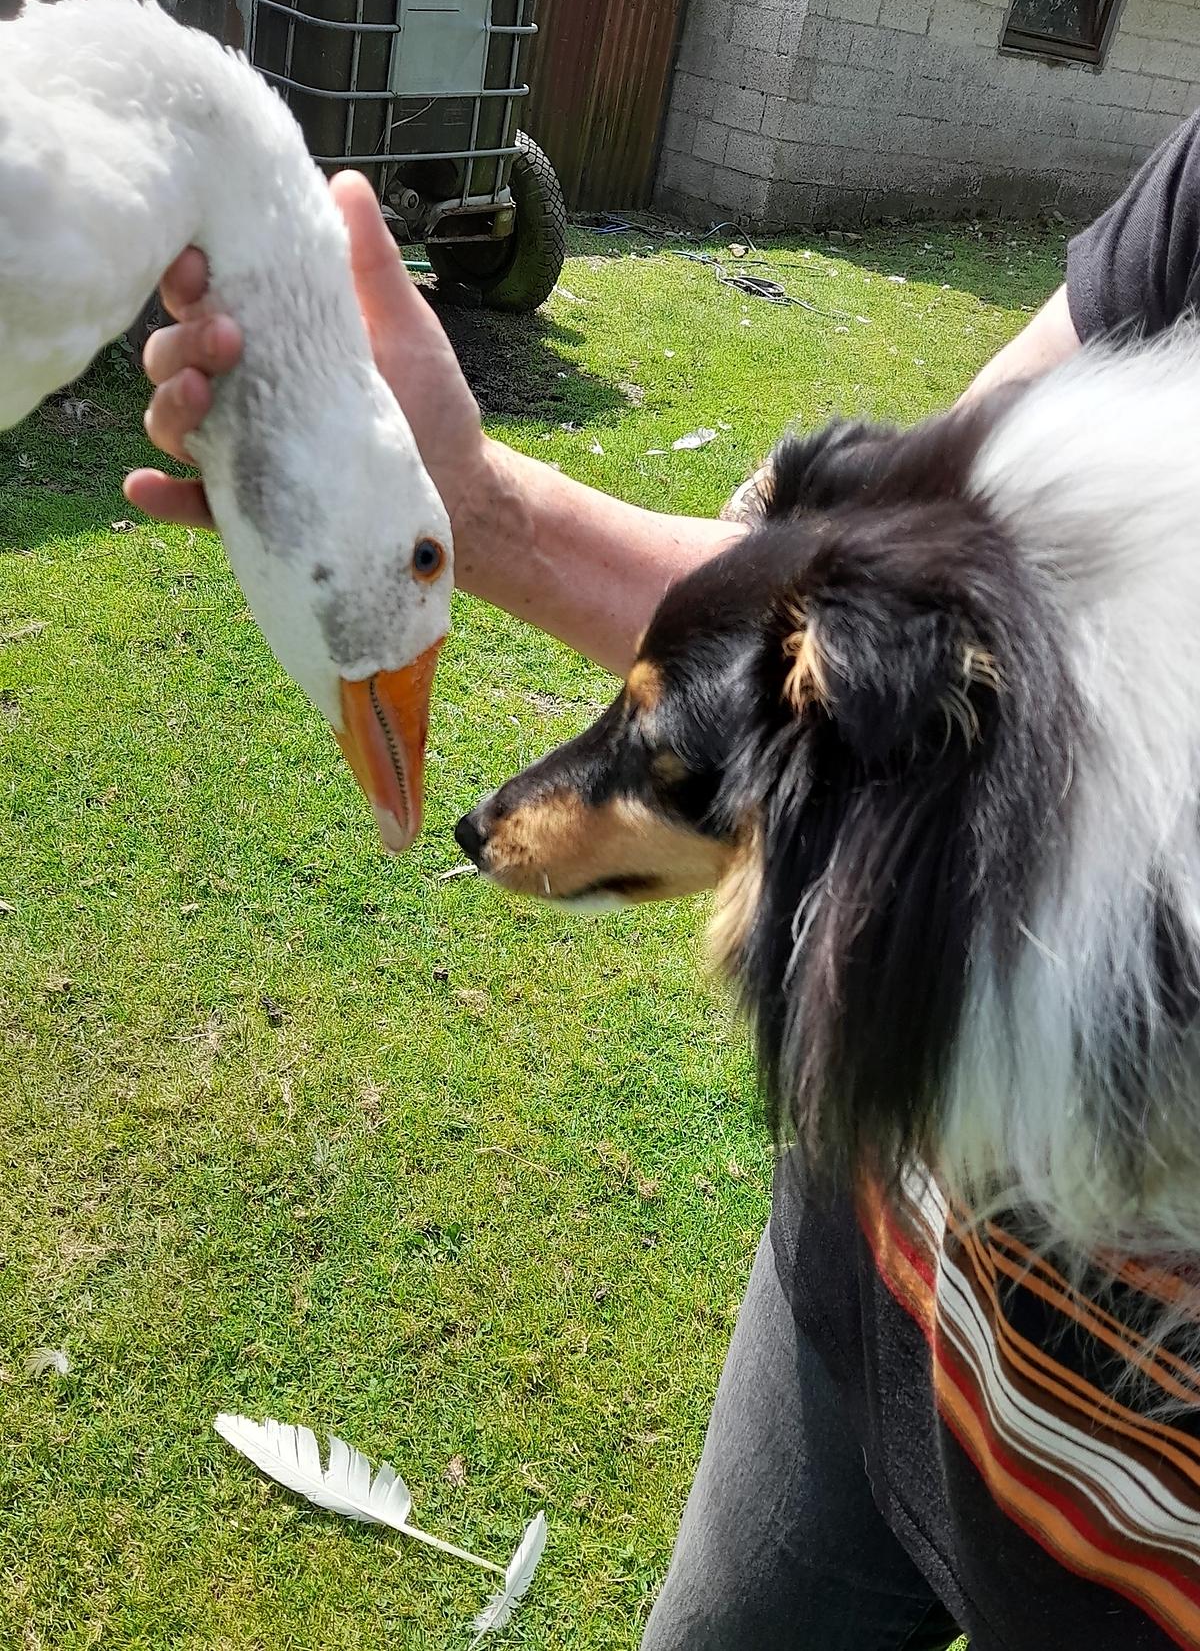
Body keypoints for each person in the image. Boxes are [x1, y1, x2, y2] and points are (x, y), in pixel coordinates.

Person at [126, 114, 1200, 1650]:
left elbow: (849, 678)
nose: (526, 811)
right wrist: (465, 507)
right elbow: (849, 582)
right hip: (870, 1307)